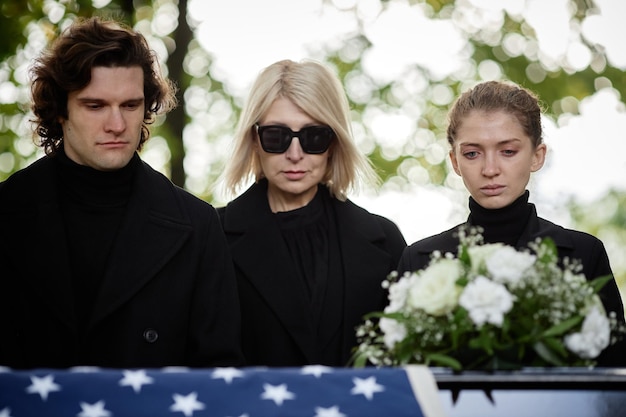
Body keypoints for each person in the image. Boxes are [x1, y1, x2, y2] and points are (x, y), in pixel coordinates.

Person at [0, 17, 243, 369]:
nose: (116, 125)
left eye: (130, 105)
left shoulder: (197, 226)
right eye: (95, 106)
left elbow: (217, 378)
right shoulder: (7, 214)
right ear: (60, 110)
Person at [397, 80, 625, 365]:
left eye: (507, 151)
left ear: (537, 156)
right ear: (455, 162)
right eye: (472, 153)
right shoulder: (419, 260)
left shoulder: (584, 253)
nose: (490, 169)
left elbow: (613, 380)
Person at [216, 59, 407, 367]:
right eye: (276, 136)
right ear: (254, 140)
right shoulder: (211, 237)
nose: (295, 154)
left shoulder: (385, 242)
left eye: (313, 136)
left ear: (334, 141)